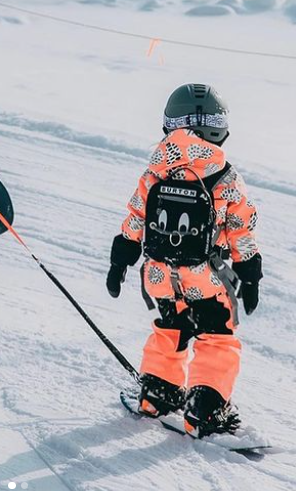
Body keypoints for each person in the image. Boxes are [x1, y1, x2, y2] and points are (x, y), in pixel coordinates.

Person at [106, 84, 262, 437]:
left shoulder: (156, 172)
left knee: (171, 327)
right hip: (205, 277)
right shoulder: (226, 178)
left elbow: (135, 218)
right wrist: (249, 275)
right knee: (216, 336)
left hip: (159, 274)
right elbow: (241, 229)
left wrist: (120, 262)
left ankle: (157, 394)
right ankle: (206, 408)